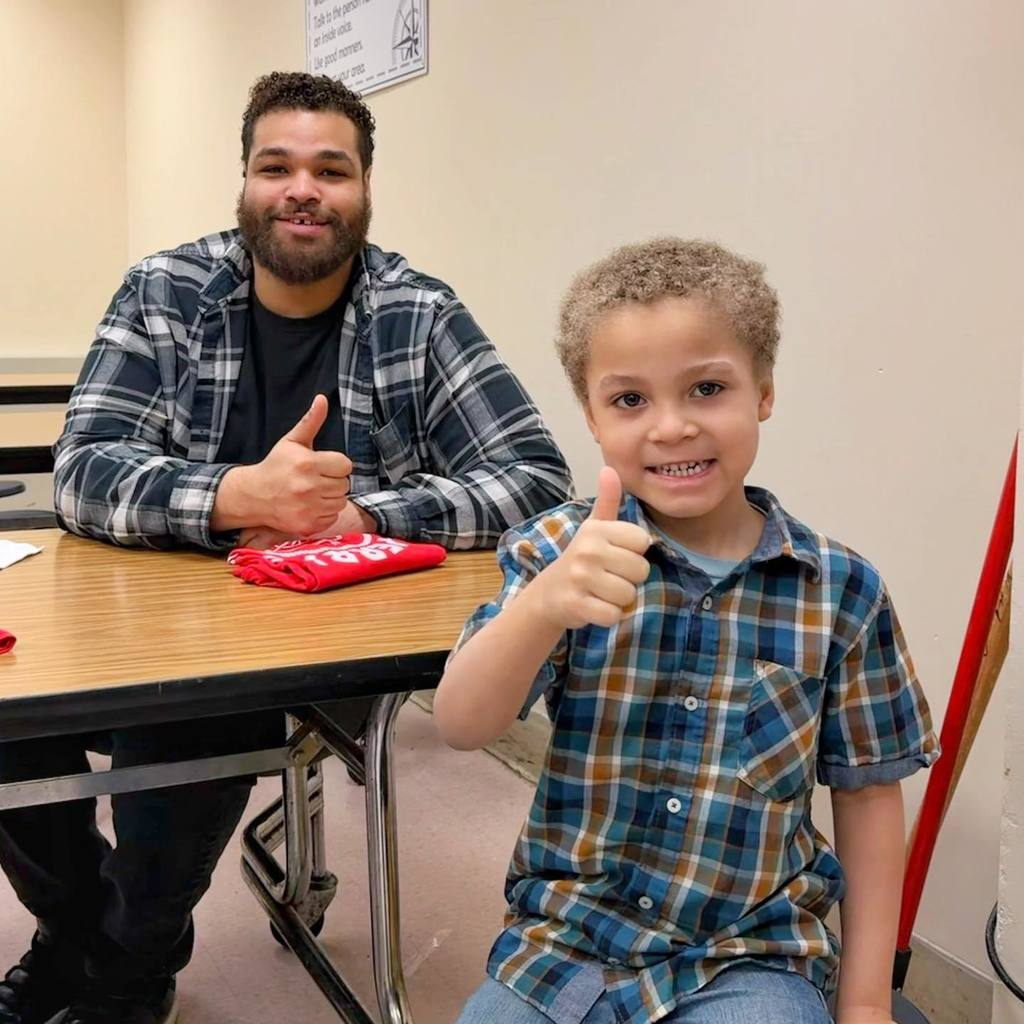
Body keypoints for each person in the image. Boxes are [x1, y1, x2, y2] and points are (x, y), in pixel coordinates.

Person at [0, 72, 571, 1024]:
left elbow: (533, 477)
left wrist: (364, 519)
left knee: (192, 721)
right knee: (14, 726)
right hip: (153, 611)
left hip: (318, 632)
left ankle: (134, 962)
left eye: (330, 169)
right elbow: (82, 470)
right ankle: (79, 933)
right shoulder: (166, 289)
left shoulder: (417, 311)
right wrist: (233, 495)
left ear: (365, 190)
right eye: (278, 165)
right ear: (246, 182)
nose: (303, 188)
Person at [434, 237, 939, 1024]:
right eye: (629, 400)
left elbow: (870, 798)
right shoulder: (558, 555)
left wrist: (866, 1001)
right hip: (567, 946)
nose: (670, 428)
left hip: (750, 954)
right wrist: (543, 606)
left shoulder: (842, 591)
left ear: (764, 392)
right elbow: (464, 724)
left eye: (706, 388)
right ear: (593, 419)